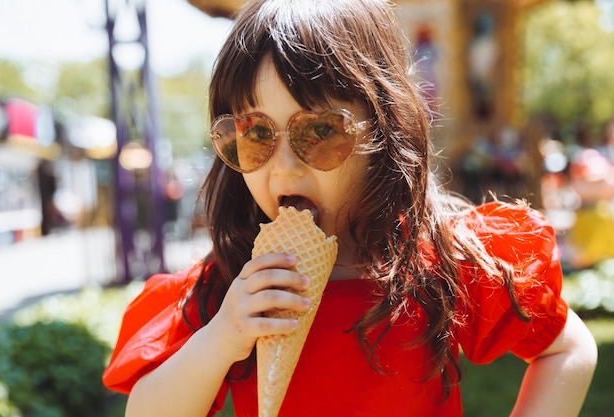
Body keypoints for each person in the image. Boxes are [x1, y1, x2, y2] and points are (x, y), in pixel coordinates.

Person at [102, 1, 597, 416]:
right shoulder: (227, 287)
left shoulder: (443, 262)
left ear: (383, 131)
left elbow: (568, 348)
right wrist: (222, 338)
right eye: (255, 135)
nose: (284, 167)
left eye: (319, 131)